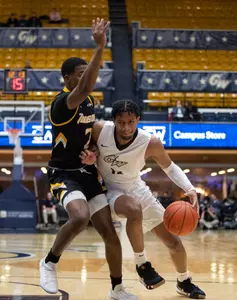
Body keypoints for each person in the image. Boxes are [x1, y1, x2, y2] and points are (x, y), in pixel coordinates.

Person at [39, 18, 151, 300]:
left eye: (86, 72)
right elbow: (85, 87)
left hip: (87, 174)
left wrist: (94, 152)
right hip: (63, 173)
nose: (87, 75)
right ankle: (49, 262)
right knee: (79, 217)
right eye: (80, 72)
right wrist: (100, 47)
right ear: (67, 78)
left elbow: (87, 136)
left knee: (109, 234)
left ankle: (116, 289)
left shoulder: (88, 103)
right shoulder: (62, 104)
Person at [81, 100, 206, 299]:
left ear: (138, 120)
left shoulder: (150, 142)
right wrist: (90, 156)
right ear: (114, 121)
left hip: (138, 189)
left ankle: (184, 281)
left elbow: (170, 167)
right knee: (133, 209)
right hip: (110, 191)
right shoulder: (99, 130)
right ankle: (143, 265)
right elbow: (87, 149)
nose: (126, 127)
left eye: (131, 121)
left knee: (174, 243)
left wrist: (189, 188)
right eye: (121, 122)